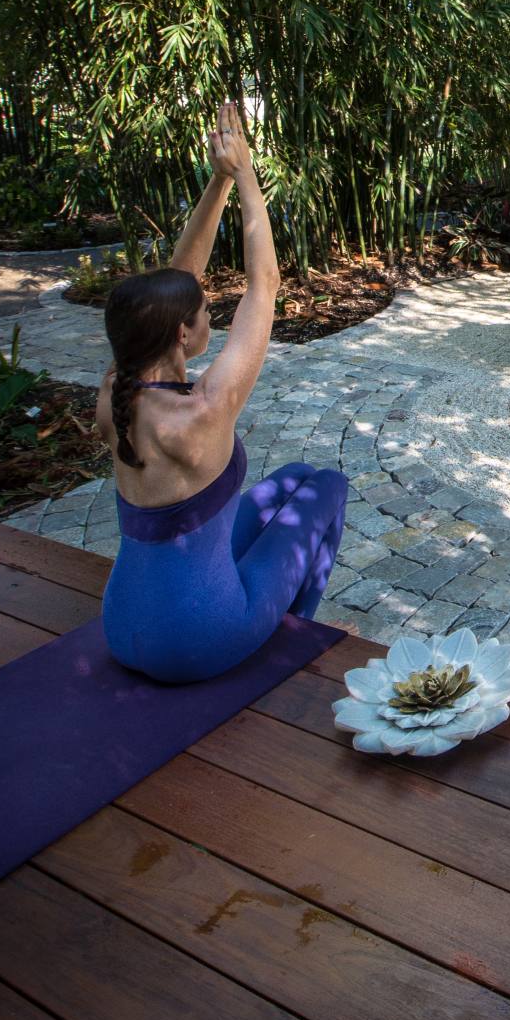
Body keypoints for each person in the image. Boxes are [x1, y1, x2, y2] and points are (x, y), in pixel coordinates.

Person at [96, 102, 348, 683]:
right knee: (329, 487)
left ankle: (243, 610)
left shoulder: (117, 389)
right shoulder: (203, 411)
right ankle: (281, 647)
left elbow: (175, 283)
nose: (210, 308)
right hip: (197, 639)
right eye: (207, 309)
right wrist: (248, 175)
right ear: (183, 332)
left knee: (295, 478)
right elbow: (265, 284)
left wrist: (217, 179)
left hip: (121, 623)